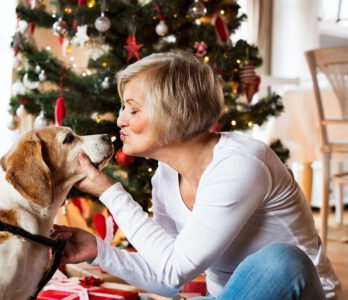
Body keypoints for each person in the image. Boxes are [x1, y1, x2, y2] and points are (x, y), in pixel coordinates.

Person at [51, 50, 341, 299]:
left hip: (298, 292)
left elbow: (175, 267)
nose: (120, 120)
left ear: (174, 112)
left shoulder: (240, 164)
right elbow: (168, 277)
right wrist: (99, 251)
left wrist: (110, 192)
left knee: (283, 261)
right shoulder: (165, 176)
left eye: (133, 109)